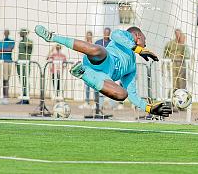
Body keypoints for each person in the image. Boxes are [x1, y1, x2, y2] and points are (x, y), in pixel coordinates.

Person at [34, 24, 171, 118]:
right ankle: (52, 37)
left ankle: (81, 73)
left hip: (100, 77)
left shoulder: (132, 67)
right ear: (138, 36)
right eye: (145, 40)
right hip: (103, 59)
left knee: (123, 94)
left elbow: (133, 95)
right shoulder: (127, 37)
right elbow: (115, 34)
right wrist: (138, 49)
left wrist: (149, 108)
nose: (146, 44)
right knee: (99, 50)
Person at [0, 29, 15, 104]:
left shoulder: (11, 41)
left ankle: (6, 97)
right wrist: (4, 50)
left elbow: (10, 49)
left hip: (8, 61)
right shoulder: (1, 42)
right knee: (2, 79)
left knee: (6, 80)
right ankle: (2, 96)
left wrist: (2, 49)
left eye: (7, 33)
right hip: (1, 61)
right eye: (5, 33)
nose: (6, 34)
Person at [16, 28, 32, 104]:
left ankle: (26, 96)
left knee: (25, 80)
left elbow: (29, 45)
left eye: (21, 33)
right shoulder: (21, 42)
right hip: (20, 63)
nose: (20, 34)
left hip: (25, 63)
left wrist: (25, 37)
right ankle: (23, 96)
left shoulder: (28, 41)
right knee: (22, 81)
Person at [81, 31, 95, 109]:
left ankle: (95, 103)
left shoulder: (94, 45)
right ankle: (87, 102)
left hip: (93, 68)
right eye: (87, 35)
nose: (88, 37)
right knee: (86, 86)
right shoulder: (83, 45)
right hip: (86, 68)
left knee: (95, 85)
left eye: (90, 35)